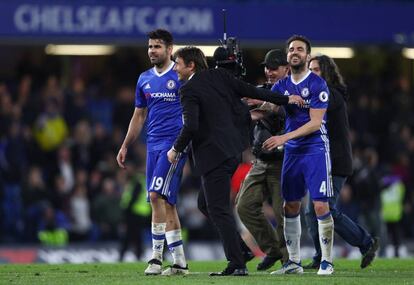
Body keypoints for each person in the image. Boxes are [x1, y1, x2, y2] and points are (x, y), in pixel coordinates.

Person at [167, 46, 303, 276]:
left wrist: (175, 149)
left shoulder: (188, 89)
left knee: (218, 210)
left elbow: (191, 125)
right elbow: (252, 90)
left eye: (177, 63)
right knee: (205, 204)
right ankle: (243, 251)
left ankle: (237, 263)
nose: (175, 69)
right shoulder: (220, 76)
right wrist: (286, 99)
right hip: (232, 153)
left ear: (190, 65)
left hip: (213, 155)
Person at [116, 29, 188, 276]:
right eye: (149, 47)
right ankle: (179, 263)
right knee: (166, 203)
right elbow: (139, 115)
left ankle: (156, 258)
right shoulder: (144, 78)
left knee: (156, 195)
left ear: (170, 49)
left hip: (173, 145)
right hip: (153, 146)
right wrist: (125, 145)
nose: (152, 51)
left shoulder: (180, 76)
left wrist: (185, 142)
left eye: (157, 46)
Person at [263, 35, 334, 275]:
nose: (294, 52)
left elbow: (315, 123)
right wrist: (246, 107)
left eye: (300, 49)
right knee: (289, 205)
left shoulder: (317, 84)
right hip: (293, 151)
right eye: (291, 49)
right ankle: (294, 262)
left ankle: (327, 261)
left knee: (320, 205)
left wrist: (283, 137)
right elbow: (269, 108)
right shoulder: (281, 86)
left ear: (307, 55)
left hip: (315, 148)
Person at [305, 55, 379, 269]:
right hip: (320, 161)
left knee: (326, 208)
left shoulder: (330, 95)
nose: (312, 73)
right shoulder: (323, 94)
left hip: (334, 161)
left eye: (316, 70)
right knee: (312, 211)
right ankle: (320, 256)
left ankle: (366, 242)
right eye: (310, 70)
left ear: (326, 73)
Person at [235, 49, 290, 271]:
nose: (269, 71)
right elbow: (242, 104)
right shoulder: (260, 91)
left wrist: (263, 105)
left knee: (283, 213)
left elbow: (286, 109)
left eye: (274, 67)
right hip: (260, 160)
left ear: (287, 69)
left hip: (284, 162)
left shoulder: (296, 92)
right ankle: (273, 249)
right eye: (267, 67)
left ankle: (289, 261)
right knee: (244, 206)